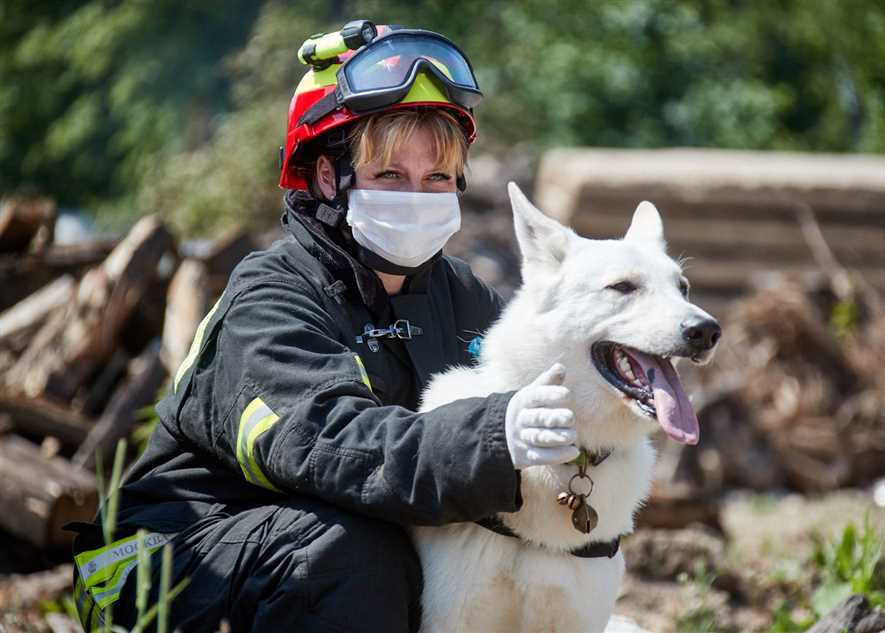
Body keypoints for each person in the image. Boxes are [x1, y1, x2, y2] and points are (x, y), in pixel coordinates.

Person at [70, 22, 578, 632]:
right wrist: (496, 435)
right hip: (160, 559)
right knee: (350, 555)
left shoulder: (461, 296)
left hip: (318, 549)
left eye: (437, 178)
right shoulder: (271, 296)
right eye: (390, 176)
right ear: (327, 176)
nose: (418, 196)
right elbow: (336, 446)